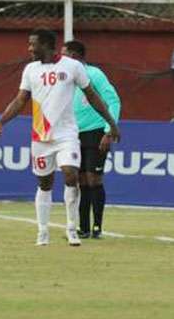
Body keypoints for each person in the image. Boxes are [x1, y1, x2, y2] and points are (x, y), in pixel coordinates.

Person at [0, 29, 120, 247]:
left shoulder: (72, 66)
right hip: (40, 136)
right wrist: (1, 121)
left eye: (33, 44)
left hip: (67, 134)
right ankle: (43, 232)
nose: (29, 49)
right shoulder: (30, 70)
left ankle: (72, 228)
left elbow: (92, 96)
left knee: (70, 174)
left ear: (47, 45)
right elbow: (21, 99)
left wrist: (111, 124)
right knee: (45, 183)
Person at [63, 40, 121, 239]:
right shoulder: (66, 77)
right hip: (72, 134)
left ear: (74, 55)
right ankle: (83, 228)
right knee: (79, 180)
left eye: (64, 54)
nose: (61, 58)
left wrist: (108, 130)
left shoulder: (94, 74)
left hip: (96, 132)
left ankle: (97, 227)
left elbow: (113, 100)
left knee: (93, 179)